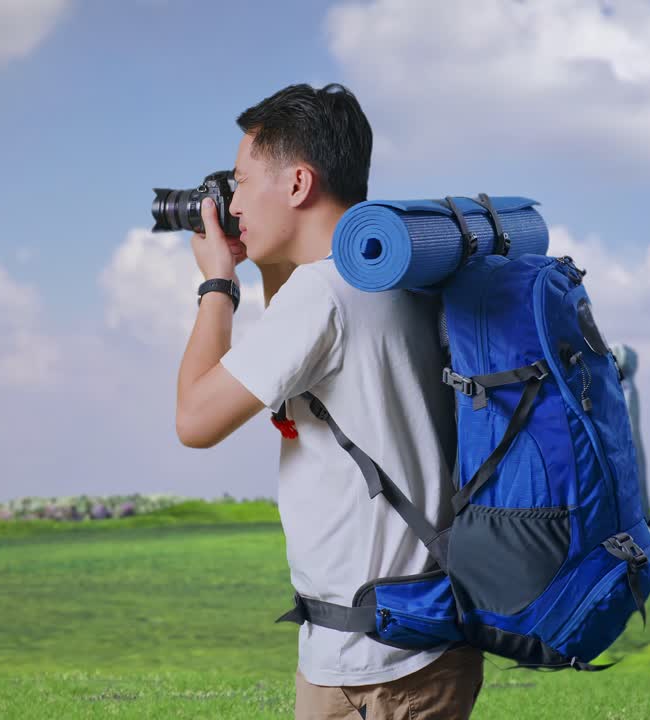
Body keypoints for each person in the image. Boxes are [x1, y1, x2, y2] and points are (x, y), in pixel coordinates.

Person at [174, 82, 484, 719]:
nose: (232, 205)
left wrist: (215, 283)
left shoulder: (322, 297)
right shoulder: (386, 269)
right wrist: (261, 267)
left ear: (296, 184)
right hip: (394, 640)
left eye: (240, 181)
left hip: (380, 667)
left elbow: (195, 420)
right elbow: (300, 375)